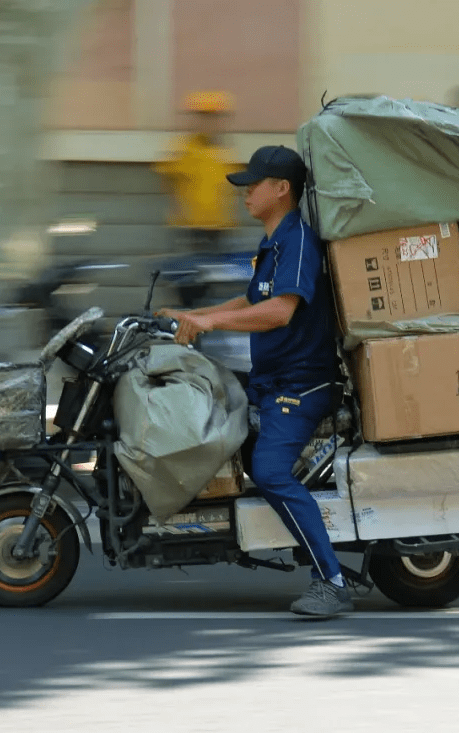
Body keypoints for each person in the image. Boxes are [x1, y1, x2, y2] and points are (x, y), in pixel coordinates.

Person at [159, 145, 350, 618]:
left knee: (270, 473)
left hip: (300, 385)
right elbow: (249, 302)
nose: (245, 192)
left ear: (281, 189)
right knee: (206, 400)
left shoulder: (299, 241)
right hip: (271, 378)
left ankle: (332, 580)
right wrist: (192, 315)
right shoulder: (275, 242)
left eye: (254, 184)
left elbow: (280, 311)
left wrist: (209, 325)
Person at [152, 91, 240, 253]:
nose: (210, 124)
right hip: (191, 229)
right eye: (205, 118)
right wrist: (177, 208)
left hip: (220, 228)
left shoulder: (224, 151)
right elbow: (167, 178)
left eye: (215, 118)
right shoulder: (184, 148)